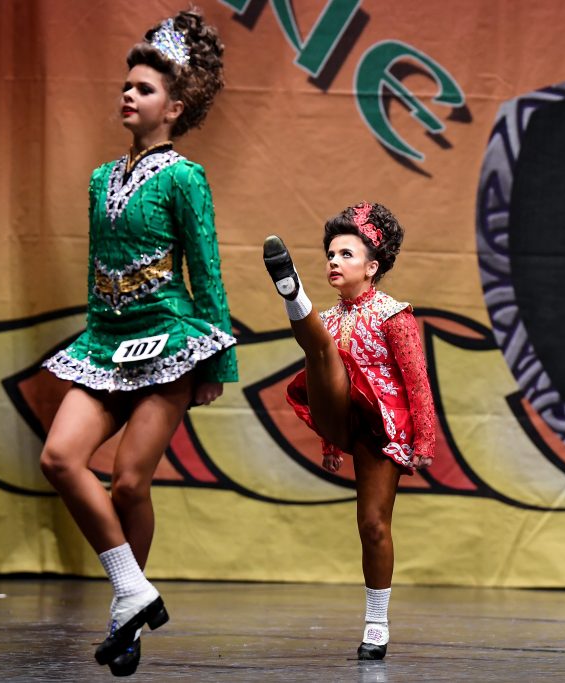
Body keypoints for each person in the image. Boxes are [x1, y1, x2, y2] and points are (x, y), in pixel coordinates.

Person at [38, 9, 236, 676]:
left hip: (169, 344)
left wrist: (216, 361)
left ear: (174, 107)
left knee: (128, 480)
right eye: (127, 85)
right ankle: (133, 588)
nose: (128, 94)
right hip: (105, 343)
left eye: (144, 89)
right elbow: (97, 270)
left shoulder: (185, 177)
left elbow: (205, 268)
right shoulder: (100, 178)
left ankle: (125, 610)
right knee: (60, 458)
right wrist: (95, 338)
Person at [262, 202, 435, 660]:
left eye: (346, 254)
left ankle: (376, 623)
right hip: (341, 413)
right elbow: (322, 383)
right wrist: (328, 440)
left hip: (382, 427)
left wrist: (424, 442)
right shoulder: (333, 317)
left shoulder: (394, 314)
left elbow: (417, 381)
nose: (334, 262)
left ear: (372, 267)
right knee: (320, 347)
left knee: (373, 526)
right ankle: (291, 293)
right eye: (330, 255)